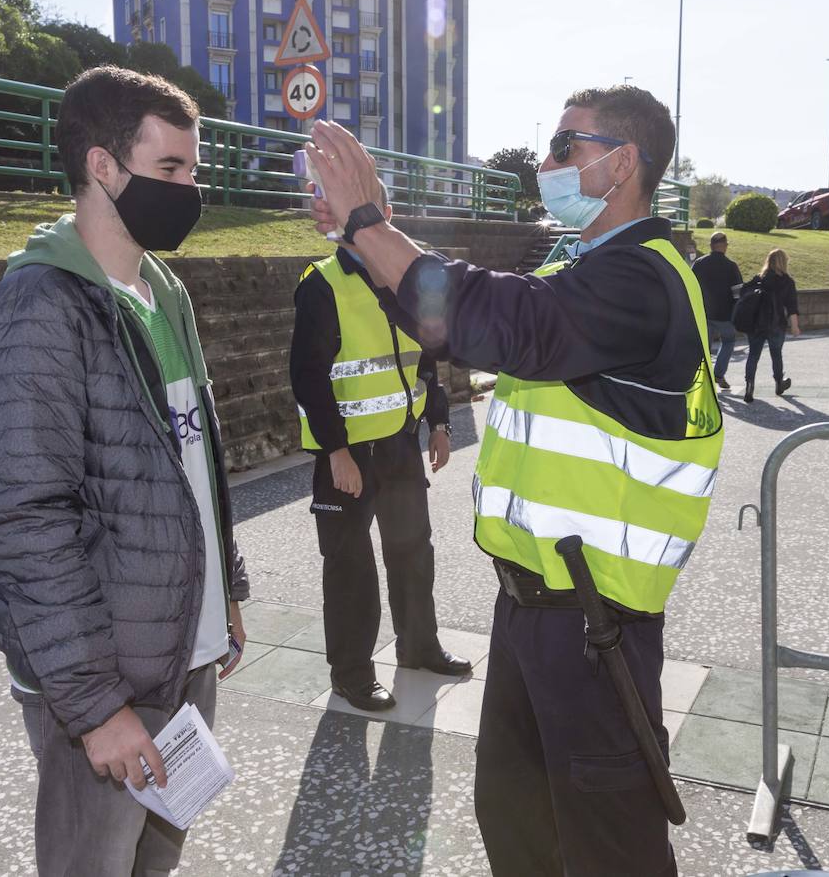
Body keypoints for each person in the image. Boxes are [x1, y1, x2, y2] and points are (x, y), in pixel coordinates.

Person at [303, 85, 723, 877]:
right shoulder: (586, 263)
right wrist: (365, 247)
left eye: (567, 148)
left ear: (624, 162)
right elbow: (450, 321)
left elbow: (505, 319)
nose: (545, 163)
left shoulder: (642, 278)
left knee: (608, 841)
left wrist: (371, 224)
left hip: (597, 623)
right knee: (516, 819)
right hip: (534, 606)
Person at [0, 67, 251, 877]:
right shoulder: (38, 309)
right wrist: (95, 709)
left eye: (194, 169)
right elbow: (27, 522)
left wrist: (223, 586)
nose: (191, 189)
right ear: (101, 166)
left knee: (156, 856)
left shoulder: (164, 290)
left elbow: (195, 459)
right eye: (171, 170)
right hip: (106, 680)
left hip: (181, 648)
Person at [289, 188, 472, 713]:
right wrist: (336, 452)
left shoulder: (408, 281)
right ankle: (352, 673)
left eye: (371, 210)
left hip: (400, 444)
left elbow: (428, 358)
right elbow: (308, 377)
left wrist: (439, 423)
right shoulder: (322, 283)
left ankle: (418, 646)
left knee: (414, 551)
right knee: (350, 566)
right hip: (346, 454)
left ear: (386, 217)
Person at [742, 248, 802, 402]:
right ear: (783, 262)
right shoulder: (787, 281)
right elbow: (792, 306)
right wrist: (795, 326)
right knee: (776, 355)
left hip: (756, 324)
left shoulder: (759, 278)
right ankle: (779, 384)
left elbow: (743, 292)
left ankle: (749, 385)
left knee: (753, 355)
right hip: (776, 324)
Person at [692, 230, 744, 388]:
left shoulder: (700, 263)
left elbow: (691, 286)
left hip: (704, 313)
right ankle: (719, 374)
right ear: (725, 246)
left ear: (711, 246)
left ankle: (702, 379)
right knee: (728, 341)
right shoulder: (731, 266)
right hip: (724, 315)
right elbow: (738, 293)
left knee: (704, 347)